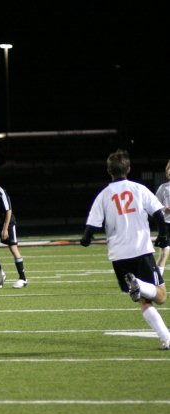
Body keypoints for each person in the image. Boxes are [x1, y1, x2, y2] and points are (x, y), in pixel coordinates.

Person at [80, 149, 170, 350]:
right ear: (128, 169)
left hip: (119, 256)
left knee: (145, 301)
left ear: (108, 171)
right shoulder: (139, 189)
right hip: (141, 250)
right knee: (161, 296)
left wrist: (86, 239)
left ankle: (166, 339)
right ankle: (138, 283)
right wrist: (162, 235)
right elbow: (158, 215)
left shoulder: (104, 195)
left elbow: (90, 229)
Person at [153, 159, 170, 276]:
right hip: (166, 224)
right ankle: (156, 280)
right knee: (164, 253)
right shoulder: (163, 187)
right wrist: (165, 209)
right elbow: (155, 203)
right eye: (169, 169)